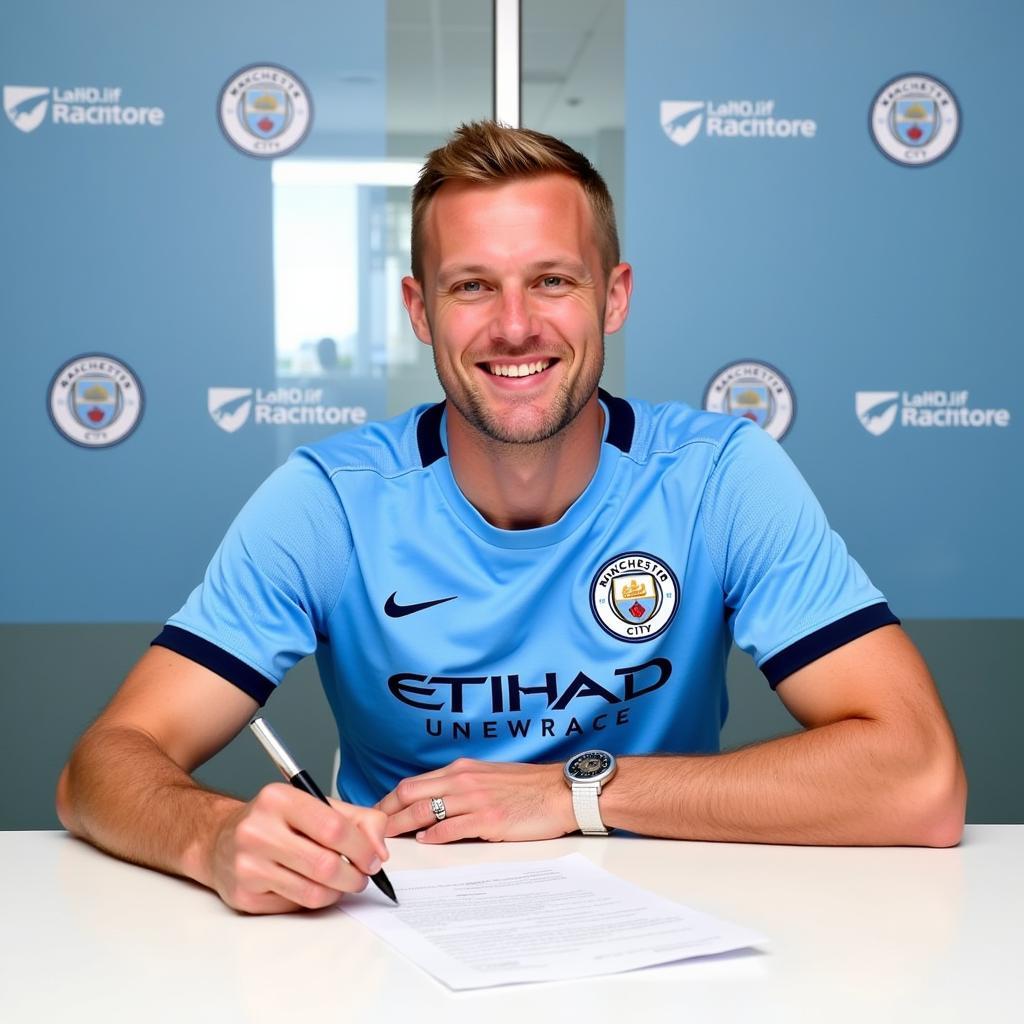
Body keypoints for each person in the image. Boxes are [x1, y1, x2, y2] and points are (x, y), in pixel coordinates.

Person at [57, 121, 967, 914]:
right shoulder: (328, 500)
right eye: (472, 287)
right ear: (420, 309)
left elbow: (919, 780)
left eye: (553, 281)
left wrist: (573, 793)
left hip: (679, 918)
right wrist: (212, 837)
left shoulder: (721, 477)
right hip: (395, 919)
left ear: (614, 295)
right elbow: (104, 764)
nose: (515, 326)